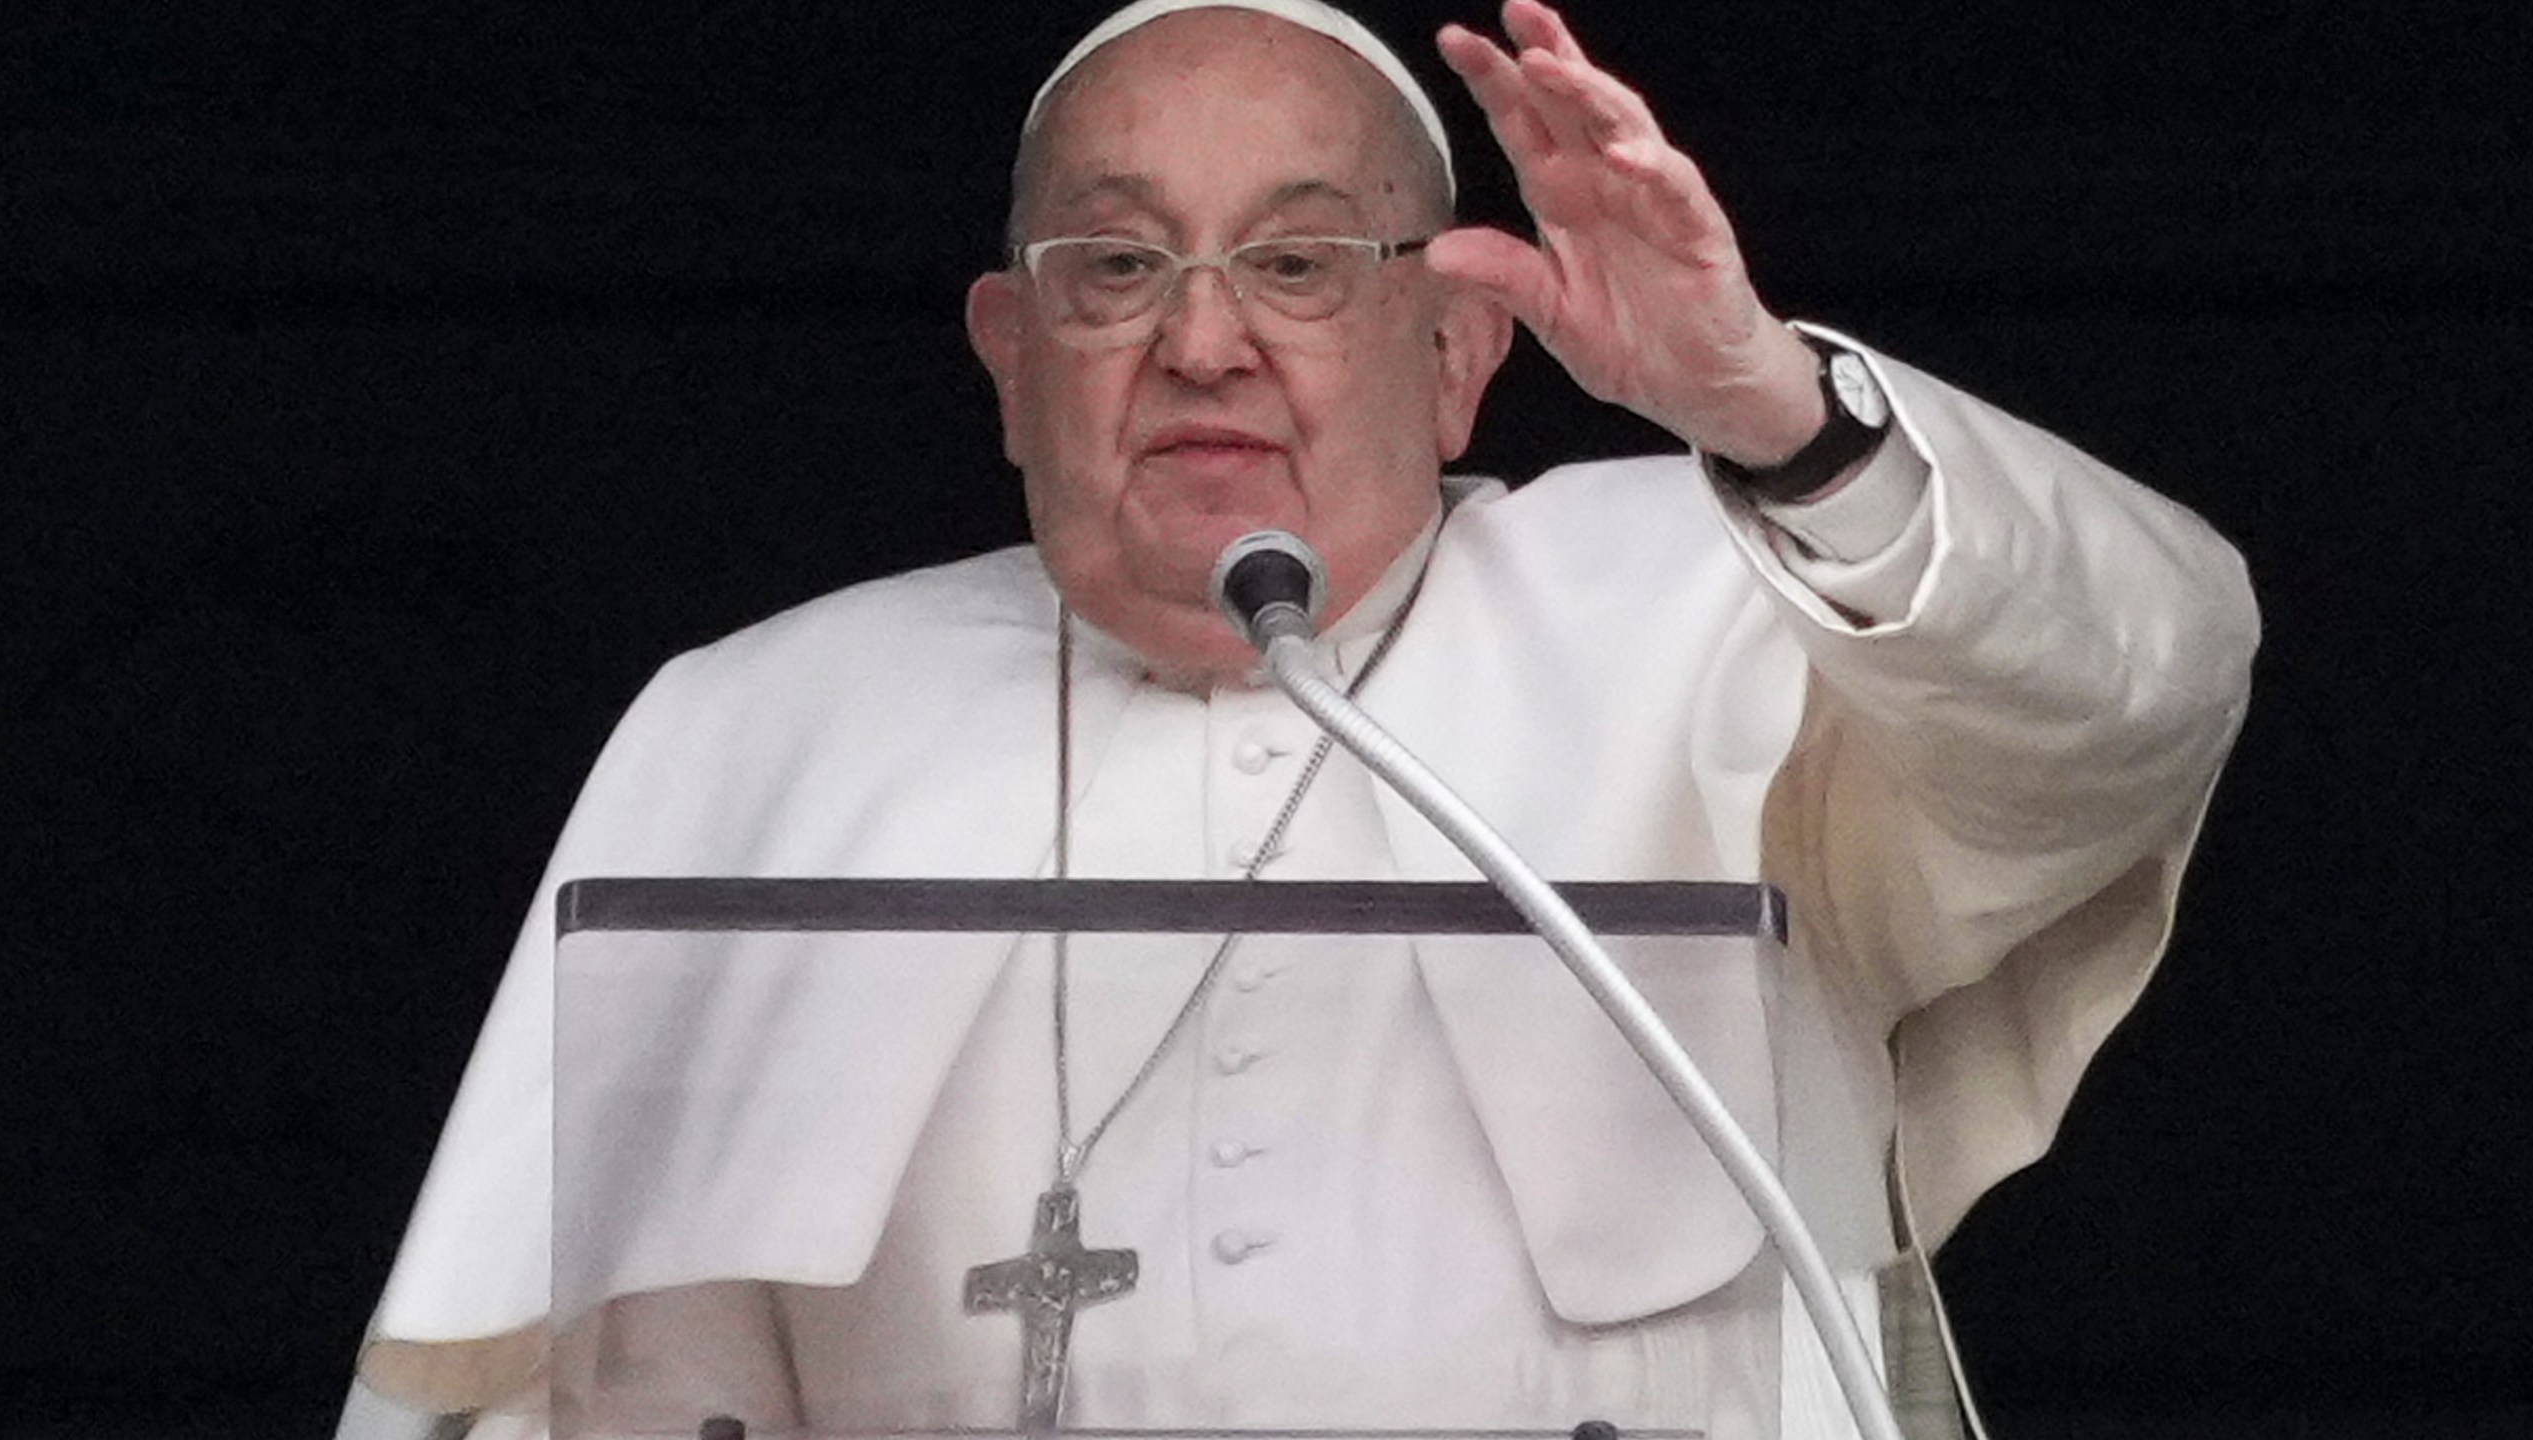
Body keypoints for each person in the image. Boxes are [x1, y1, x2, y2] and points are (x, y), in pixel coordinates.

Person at [338, 2, 2258, 1437]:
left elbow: (2146, 682)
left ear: (1459, 351)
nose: (1200, 336)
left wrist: (1776, 413)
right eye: (1114, 263)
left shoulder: (1721, 609)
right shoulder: (754, 729)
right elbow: (603, 1383)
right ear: (1013, 362)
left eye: (1299, 261)